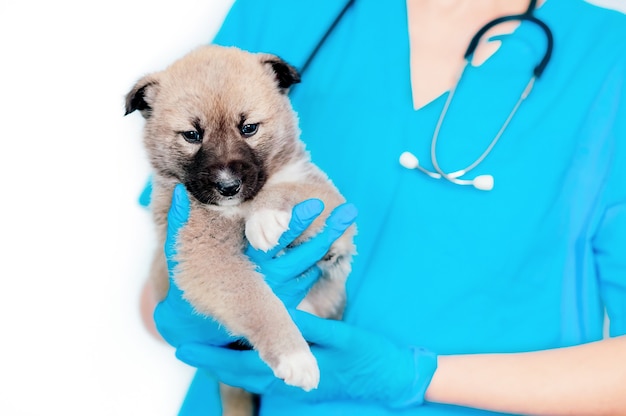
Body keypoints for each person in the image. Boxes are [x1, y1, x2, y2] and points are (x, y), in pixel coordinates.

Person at [139, 0, 626, 414]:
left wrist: (415, 377)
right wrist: (195, 307)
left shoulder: (609, 59)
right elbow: (161, 287)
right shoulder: (285, 10)